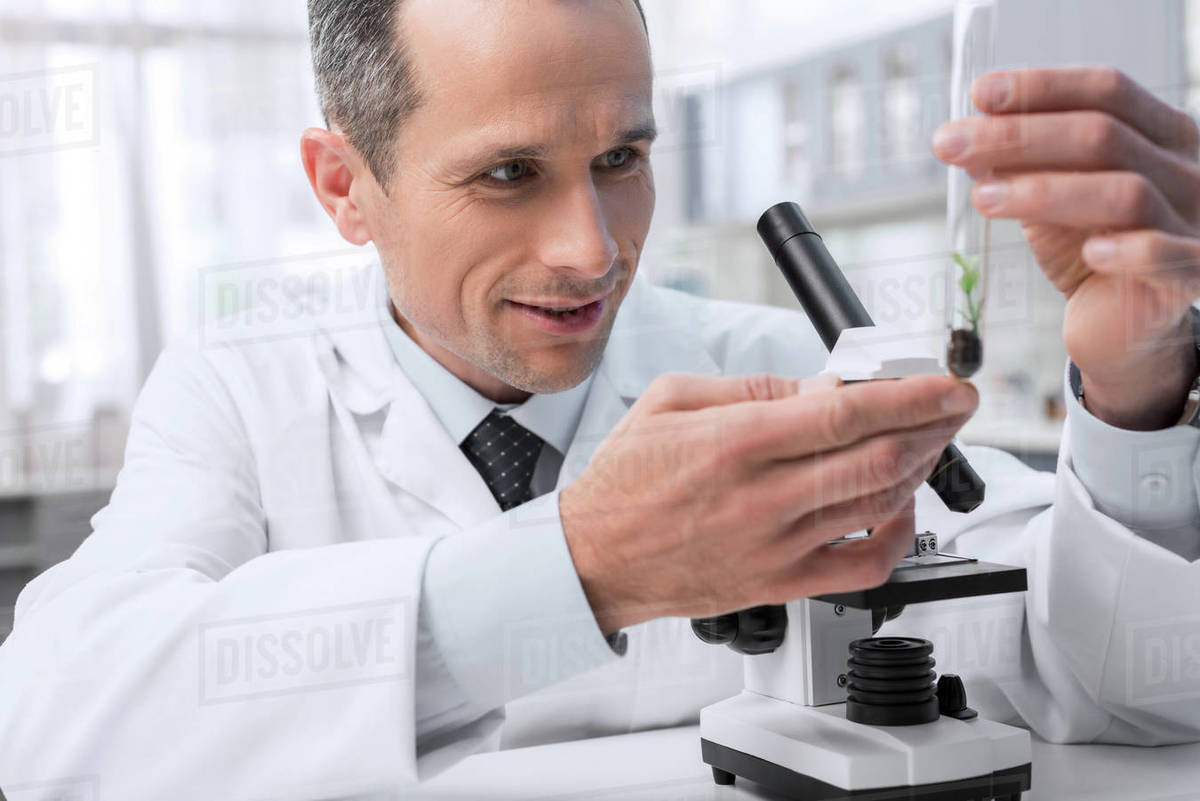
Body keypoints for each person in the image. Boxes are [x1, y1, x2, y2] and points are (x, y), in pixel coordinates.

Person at [1, 1, 1198, 799]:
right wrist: (586, 566)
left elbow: (1129, 689)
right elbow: (52, 728)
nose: (593, 251)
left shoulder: (771, 357)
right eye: (509, 174)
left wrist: (1138, 387)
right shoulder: (235, 392)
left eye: (621, 161)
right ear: (344, 187)